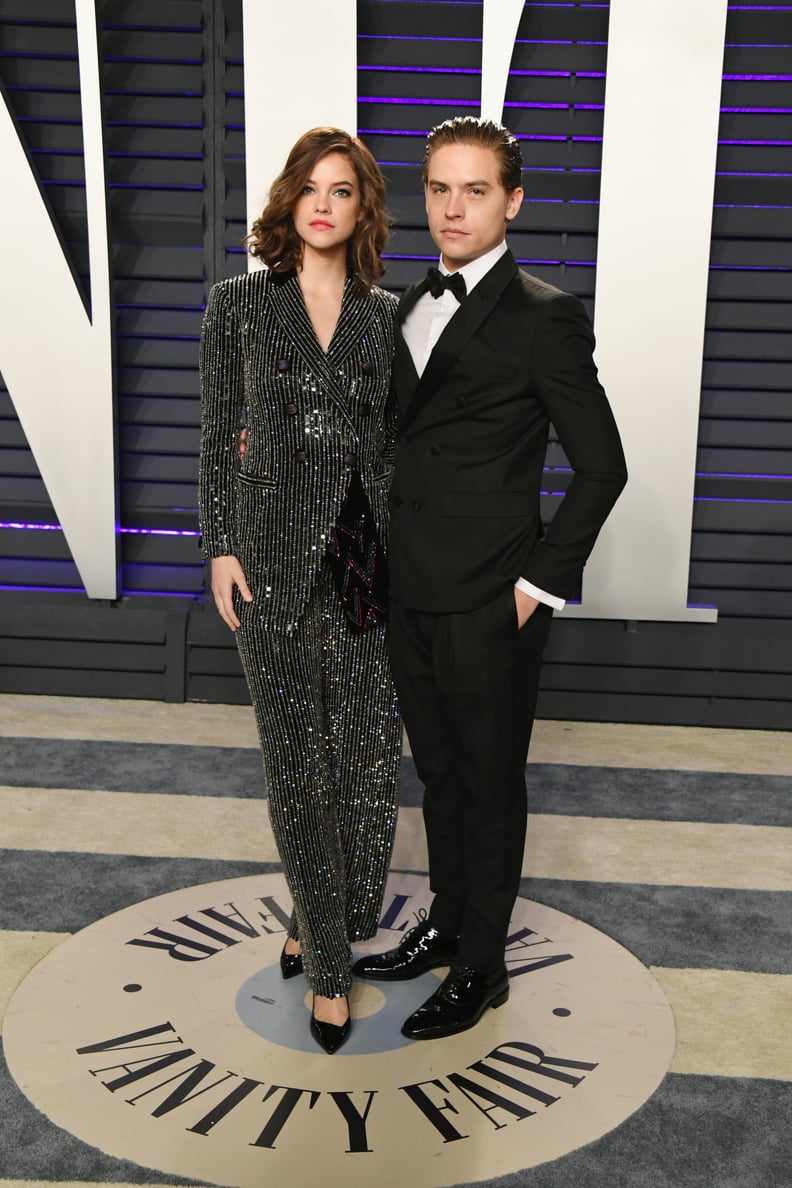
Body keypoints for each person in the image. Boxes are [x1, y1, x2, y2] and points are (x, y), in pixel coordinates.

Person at [353, 117, 628, 1040]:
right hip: (408, 589)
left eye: (474, 191)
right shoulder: (400, 306)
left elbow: (603, 467)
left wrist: (536, 587)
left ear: (511, 201)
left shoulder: (545, 315)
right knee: (437, 774)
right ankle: (446, 922)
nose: (453, 208)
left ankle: (483, 965)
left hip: (490, 597)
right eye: (439, 189)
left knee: (490, 779)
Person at [198, 127, 401, 1054]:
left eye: (343, 191)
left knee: (364, 768)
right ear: (289, 201)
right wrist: (220, 546)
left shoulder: (384, 314)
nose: (324, 203)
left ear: (362, 210)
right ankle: (330, 968)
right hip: (271, 567)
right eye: (311, 188)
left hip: (365, 567)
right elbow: (214, 436)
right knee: (297, 762)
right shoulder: (237, 306)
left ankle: (324, 919)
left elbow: (396, 448)